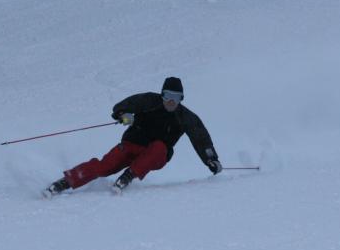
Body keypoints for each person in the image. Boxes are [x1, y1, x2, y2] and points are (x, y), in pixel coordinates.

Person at [44, 76, 222, 196]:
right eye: (168, 96)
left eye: (176, 98)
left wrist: (211, 160)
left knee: (159, 146)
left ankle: (128, 176)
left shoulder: (186, 117)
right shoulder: (149, 101)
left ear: (181, 99)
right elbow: (121, 106)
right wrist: (123, 115)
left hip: (156, 155)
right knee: (105, 166)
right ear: (162, 95)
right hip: (132, 144)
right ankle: (65, 182)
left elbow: (201, 138)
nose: (171, 101)